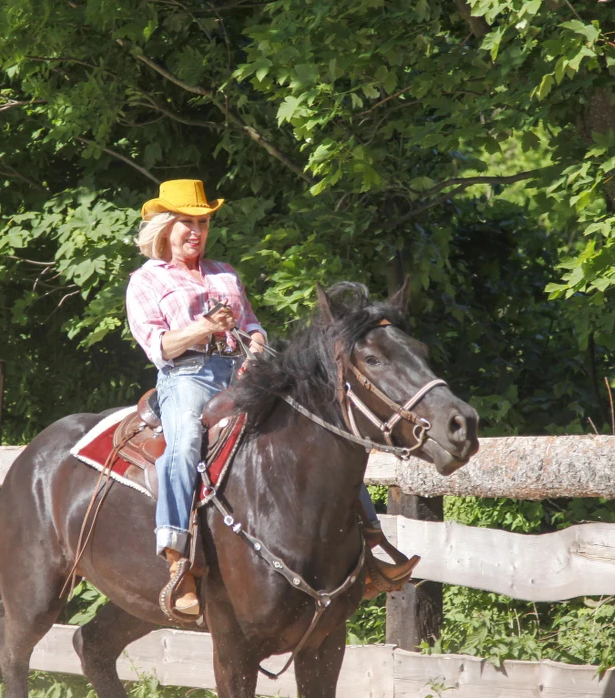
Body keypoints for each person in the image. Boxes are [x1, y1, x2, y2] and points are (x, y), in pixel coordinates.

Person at [125, 179, 415, 617]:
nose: (196, 231)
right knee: (182, 445)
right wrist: (205, 328)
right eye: (186, 222)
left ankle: (369, 544)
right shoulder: (146, 280)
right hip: (186, 378)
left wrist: (257, 346)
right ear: (166, 226)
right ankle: (179, 560)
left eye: (202, 222)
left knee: (318, 428)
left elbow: (253, 325)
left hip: (240, 373)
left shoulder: (224, 273)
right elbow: (159, 347)